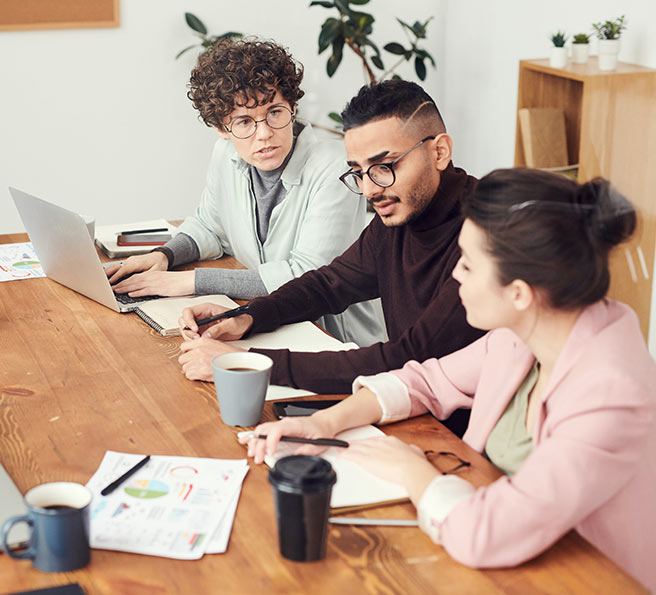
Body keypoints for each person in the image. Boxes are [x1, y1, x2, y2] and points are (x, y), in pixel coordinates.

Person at [243, 169, 656, 588]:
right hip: (500, 555)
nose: (456, 275)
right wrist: (323, 423)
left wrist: (414, 471)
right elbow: (426, 380)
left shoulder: (610, 397)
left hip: (578, 577)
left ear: (519, 293)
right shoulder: (531, 331)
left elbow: (485, 533)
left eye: (469, 266)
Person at [178, 80, 485, 400]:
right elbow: (329, 284)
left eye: (385, 166)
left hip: (461, 433)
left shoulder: (484, 238)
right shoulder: (399, 216)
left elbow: (407, 359)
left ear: (440, 151)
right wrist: (248, 317)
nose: (370, 190)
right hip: (410, 404)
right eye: (359, 172)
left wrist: (248, 363)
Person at [105, 38, 385, 346]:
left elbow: (308, 275)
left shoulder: (333, 168)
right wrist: (164, 256)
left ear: (292, 106)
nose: (264, 134)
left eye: (275, 112)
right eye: (244, 122)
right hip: (266, 321)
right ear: (222, 129)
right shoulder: (226, 155)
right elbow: (209, 227)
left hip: (331, 339)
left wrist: (188, 282)